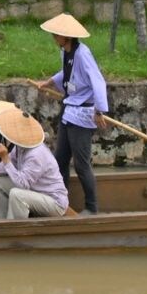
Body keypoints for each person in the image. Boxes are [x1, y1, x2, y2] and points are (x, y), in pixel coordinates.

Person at [30, 12, 108, 215]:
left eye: (57, 35)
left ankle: (91, 207)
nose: (54, 38)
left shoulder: (83, 54)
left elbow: (97, 81)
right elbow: (67, 73)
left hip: (82, 113)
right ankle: (60, 202)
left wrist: (99, 110)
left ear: (68, 37)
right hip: (69, 109)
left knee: (81, 164)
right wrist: (48, 82)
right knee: (60, 160)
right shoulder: (66, 52)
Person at [0, 105, 69, 220]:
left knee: (17, 194)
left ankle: (14, 228)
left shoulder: (36, 155)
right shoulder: (21, 146)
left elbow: (22, 184)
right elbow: (8, 163)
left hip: (54, 203)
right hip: (35, 191)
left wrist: (5, 158)